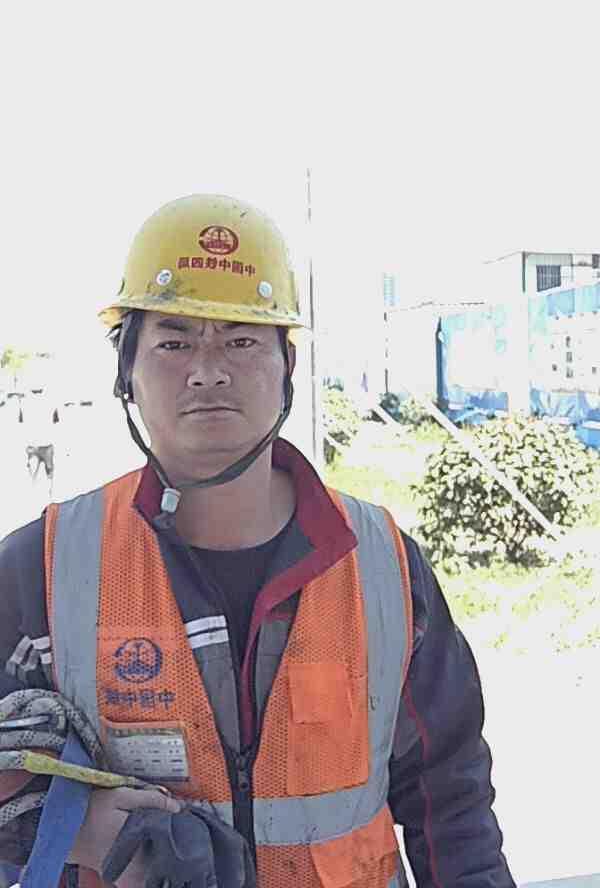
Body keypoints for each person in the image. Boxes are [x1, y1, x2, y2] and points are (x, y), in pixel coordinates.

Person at [0, 193, 516, 888]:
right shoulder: (42, 567)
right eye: (174, 341)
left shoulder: (382, 565)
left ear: (286, 365)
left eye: (241, 340)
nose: (208, 370)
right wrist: (62, 825)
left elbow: (451, 798)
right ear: (126, 371)